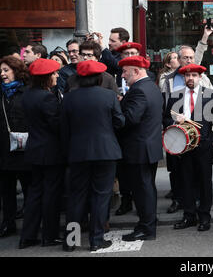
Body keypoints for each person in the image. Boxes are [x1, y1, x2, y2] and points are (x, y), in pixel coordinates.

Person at [61, 60, 124, 252]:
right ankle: (96, 240)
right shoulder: (109, 96)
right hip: (105, 152)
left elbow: (63, 129)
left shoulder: (69, 98)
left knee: (76, 196)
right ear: (99, 78)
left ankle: (72, 240)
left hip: (78, 153)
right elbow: (120, 122)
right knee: (101, 196)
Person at [19, 58, 65, 249]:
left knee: (34, 194)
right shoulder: (47, 98)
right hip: (50, 153)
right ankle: (50, 235)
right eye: (53, 74)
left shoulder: (28, 95)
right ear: (45, 78)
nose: (56, 76)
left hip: (34, 150)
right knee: (51, 195)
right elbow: (57, 125)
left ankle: (28, 236)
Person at [163, 64, 213, 231]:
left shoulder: (210, 95)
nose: (190, 78)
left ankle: (205, 217)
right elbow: (164, 119)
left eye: (194, 75)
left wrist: (212, 140)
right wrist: (173, 121)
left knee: (205, 183)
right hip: (183, 147)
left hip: (204, 146)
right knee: (186, 182)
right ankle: (189, 216)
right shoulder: (175, 96)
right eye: (187, 76)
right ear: (183, 78)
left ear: (200, 77)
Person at [118, 56, 163, 242]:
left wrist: (116, 111)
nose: (123, 75)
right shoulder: (151, 87)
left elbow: (130, 119)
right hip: (147, 147)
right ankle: (147, 224)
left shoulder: (139, 90)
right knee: (146, 189)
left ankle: (146, 228)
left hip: (139, 149)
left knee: (142, 190)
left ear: (136, 71)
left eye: (125, 72)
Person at [0, 56, 32, 239]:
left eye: (6, 70)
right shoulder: (1, 93)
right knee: (7, 190)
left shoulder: (26, 91)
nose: (2, 74)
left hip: (24, 148)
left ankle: (30, 224)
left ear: (16, 70)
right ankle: (8, 223)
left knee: (29, 188)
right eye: (1, 71)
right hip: (4, 149)